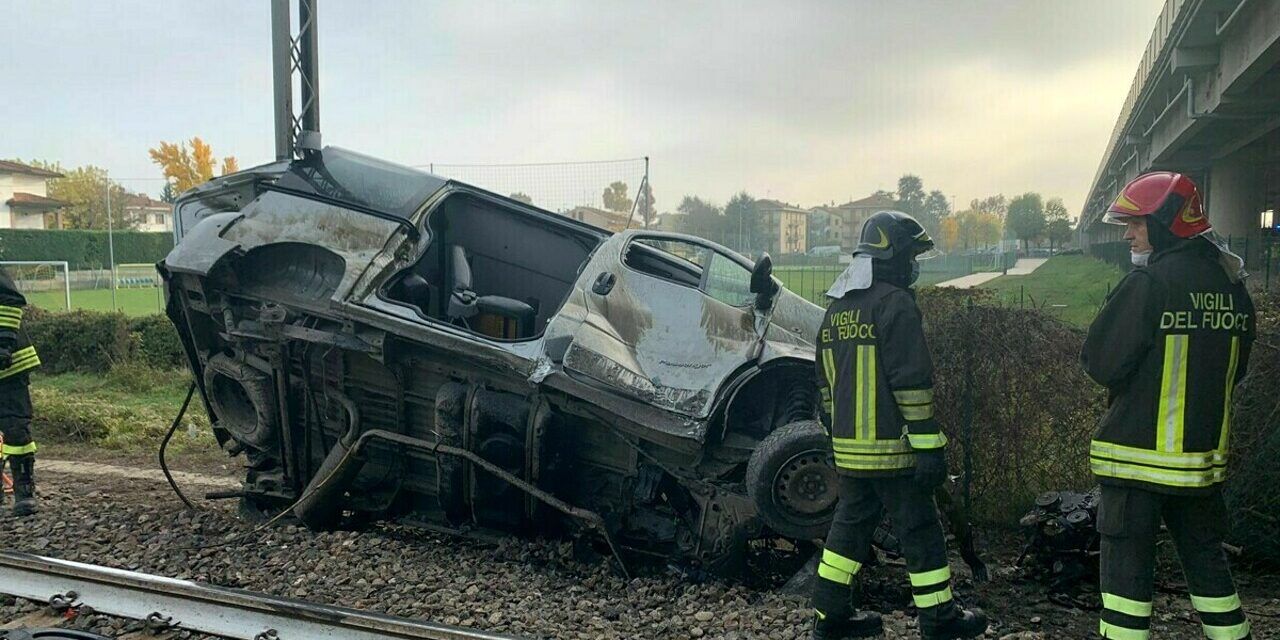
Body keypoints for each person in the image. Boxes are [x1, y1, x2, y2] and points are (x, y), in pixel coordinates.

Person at [1083, 172, 1254, 640]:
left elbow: (1100, 361)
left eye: (1136, 224)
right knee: (1210, 571)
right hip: (1198, 467)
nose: (1127, 233)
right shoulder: (1234, 289)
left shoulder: (1149, 283)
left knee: (1125, 589)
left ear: (1164, 223)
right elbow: (1234, 372)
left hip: (1136, 461)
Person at [811, 211, 987, 640]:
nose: (914, 265)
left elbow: (826, 389)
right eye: (911, 255)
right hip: (894, 454)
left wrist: (839, 444)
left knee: (847, 534)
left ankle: (829, 617)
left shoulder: (835, 311)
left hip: (851, 454)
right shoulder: (896, 305)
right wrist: (929, 448)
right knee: (922, 533)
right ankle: (940, 621)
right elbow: (912, 386)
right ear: (892, 256)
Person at [0, 266, 40, 517]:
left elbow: (11, 300)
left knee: (15, 426)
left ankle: (23, 490)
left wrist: (3, 343)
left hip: (8, 364)